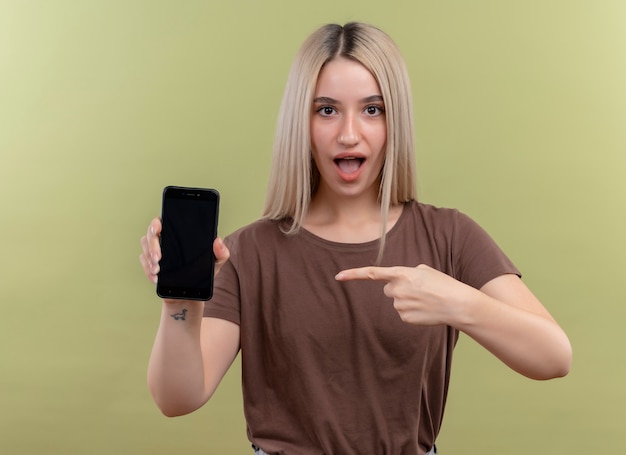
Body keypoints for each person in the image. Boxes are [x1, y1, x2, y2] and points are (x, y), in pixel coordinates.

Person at [139, 22, 572, 455]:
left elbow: (554, 356)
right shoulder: (248, 253)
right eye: (326, 110)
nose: (349, 133)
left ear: (394, 120)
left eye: (372, 109)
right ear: (301, 122)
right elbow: (177, 398)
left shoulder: (449, 236)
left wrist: (456, 303)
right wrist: (179, 302)